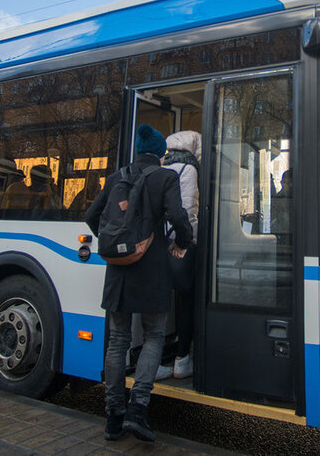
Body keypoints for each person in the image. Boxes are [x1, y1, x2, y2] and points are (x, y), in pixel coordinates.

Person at [86, 124, 193, 443]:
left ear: (136, 151)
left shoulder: (117, 177)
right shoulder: (165, 176)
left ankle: (113, 417)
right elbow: (177, 215)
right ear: (161, 153)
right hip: (152, 269)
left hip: (118, 272)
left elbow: (92, 215)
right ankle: (138, 410)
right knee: (154, 335)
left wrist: (117, 245)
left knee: (118, 340)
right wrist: (183, 242)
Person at [160, 129, 200, 380]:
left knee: (161, 298)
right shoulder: (190, 170)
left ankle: (156, 355)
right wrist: (189, 241)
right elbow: (187, 212)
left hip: (158, 241)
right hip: (181, 242)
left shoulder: (161, 167)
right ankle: (182, 357)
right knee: (187, 298)